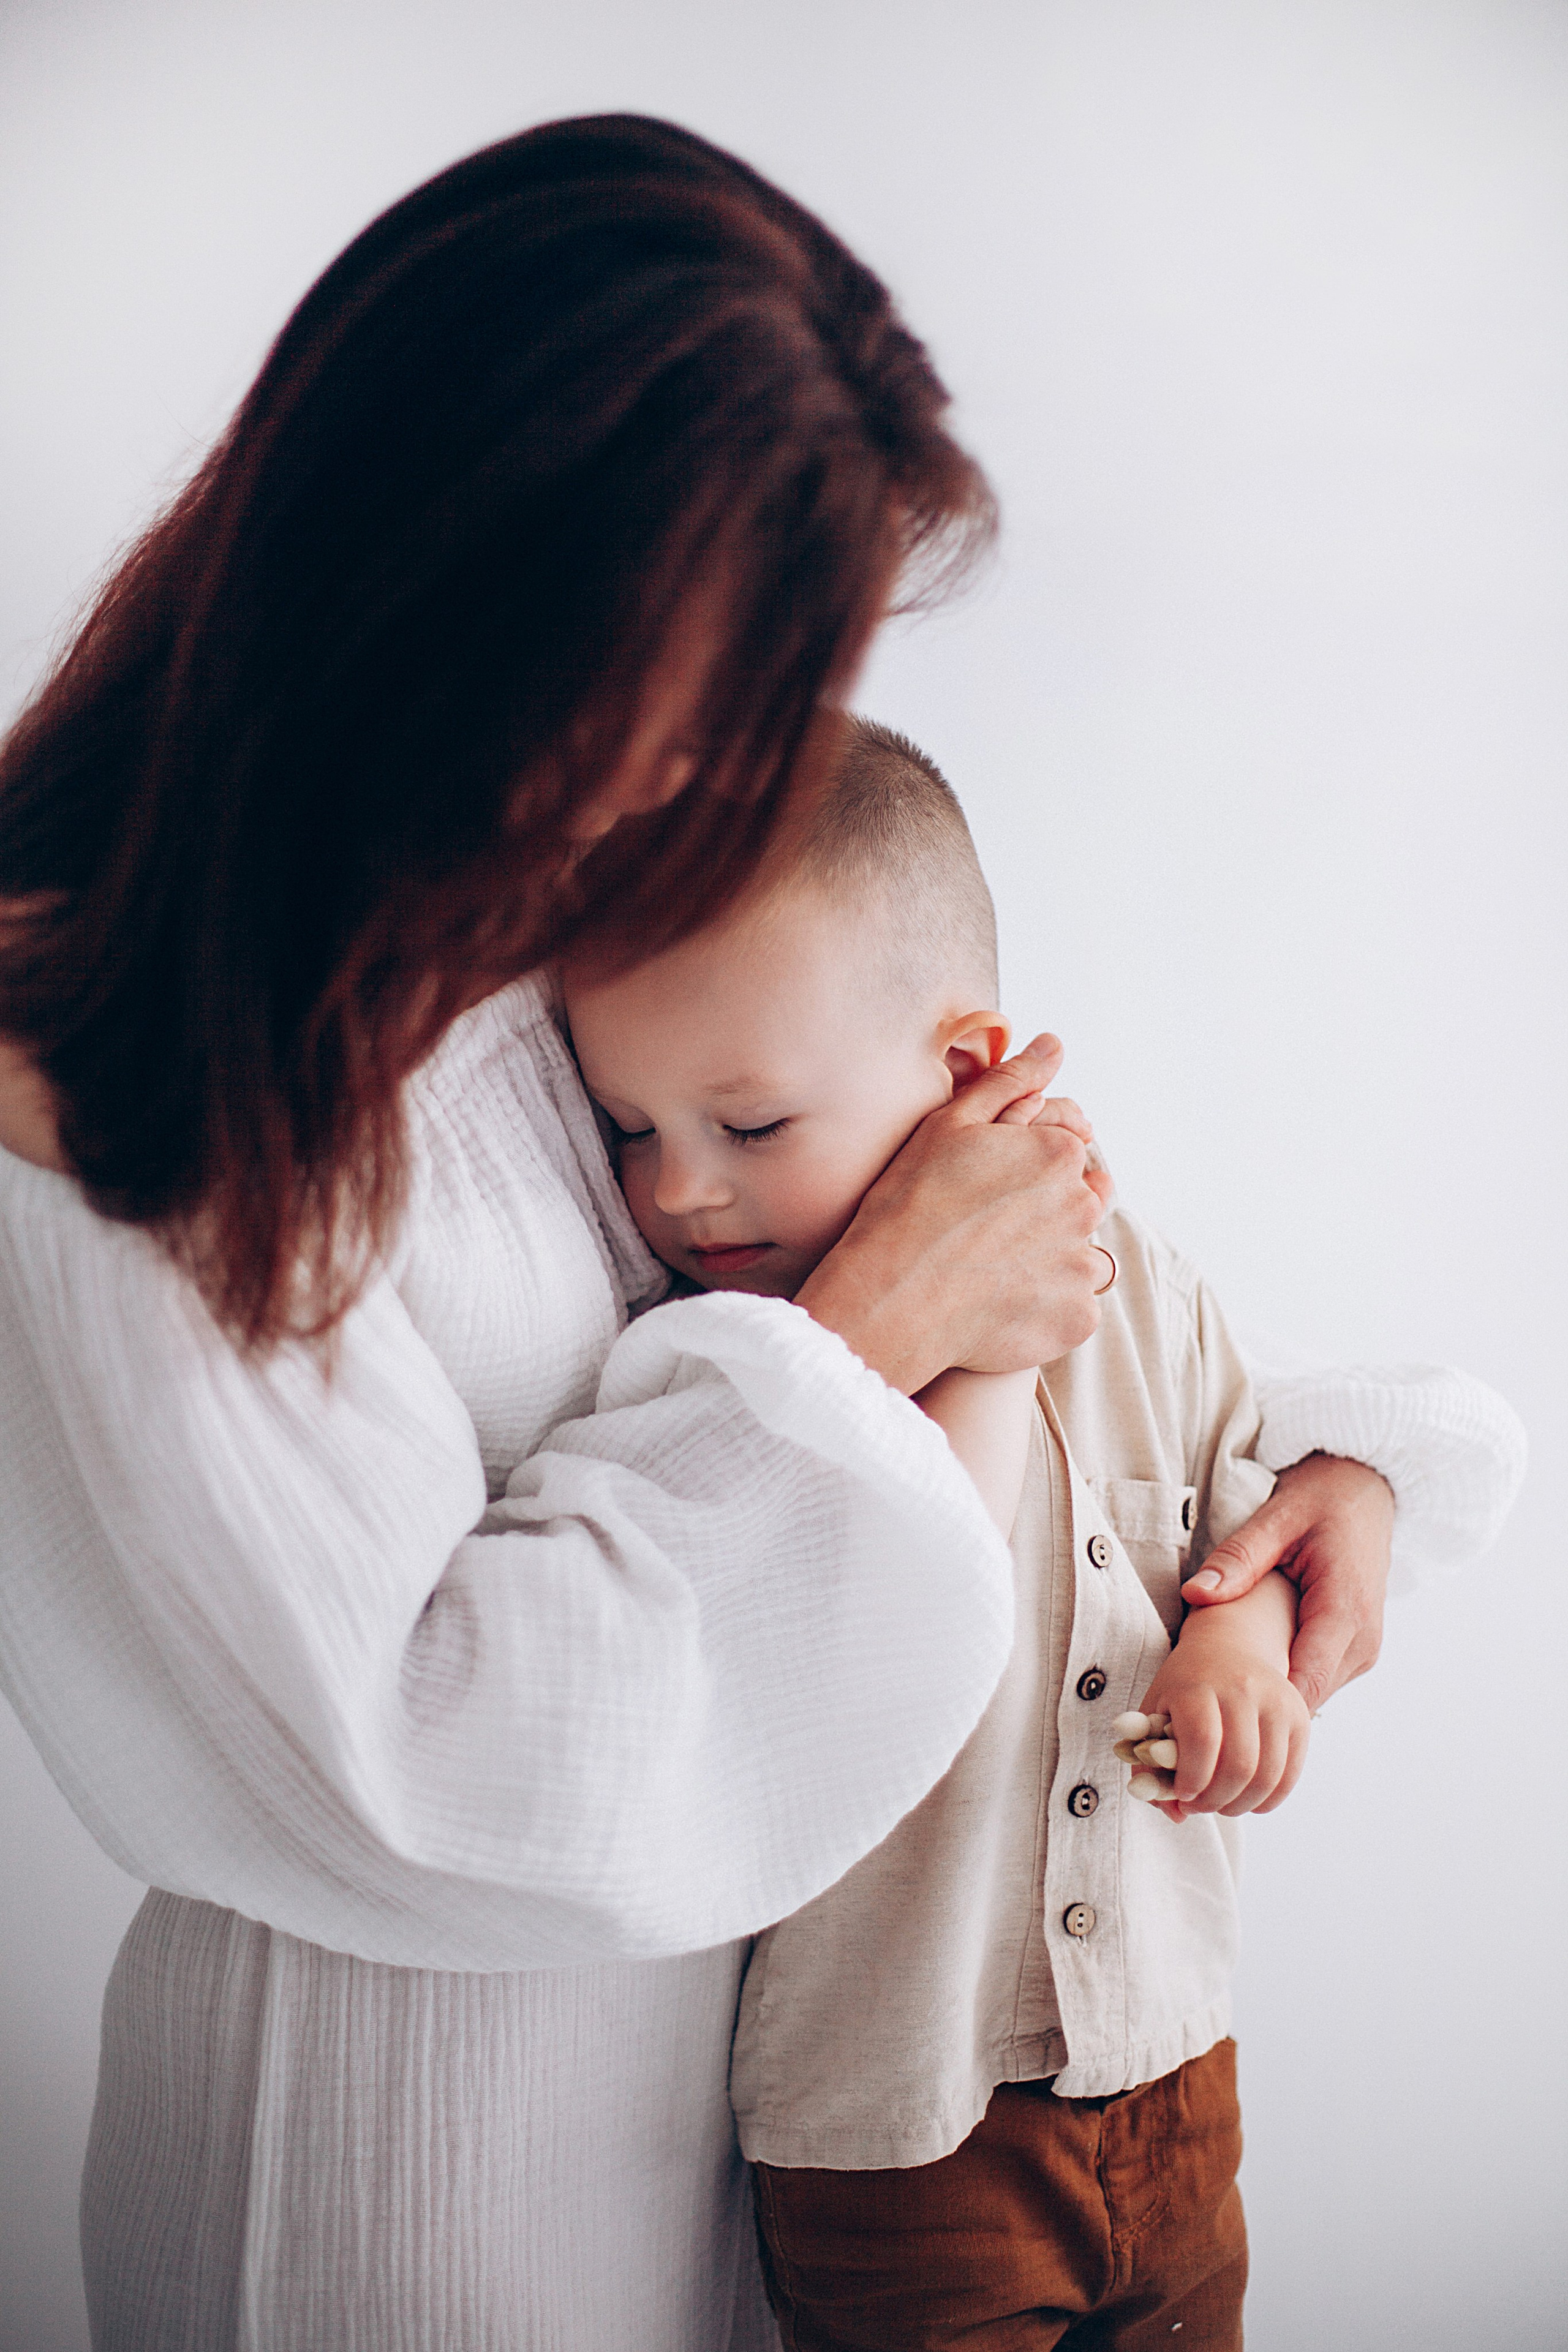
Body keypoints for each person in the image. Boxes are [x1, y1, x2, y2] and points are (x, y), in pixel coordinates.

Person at [0, 115, 1519, 2351]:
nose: (729, 771)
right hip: (394, 2216)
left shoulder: (550, 942)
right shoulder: (99, 1053)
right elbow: (418, 1768)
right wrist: (888, 1314)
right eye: (707, 681)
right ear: (466, 566)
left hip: (746, 2166)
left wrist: (1340, 1471)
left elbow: (1077, 1323)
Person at [562, 716, 1527, 2349]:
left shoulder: (1134, 1283)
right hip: (902, 2130)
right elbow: (897, 1579)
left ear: (962, 1074)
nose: (684, 1198)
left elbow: (1269, 1478)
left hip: (1172, 2068)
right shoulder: (728, 1374)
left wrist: (1232, 1630)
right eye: (632, 1131)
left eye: (751, 1126)